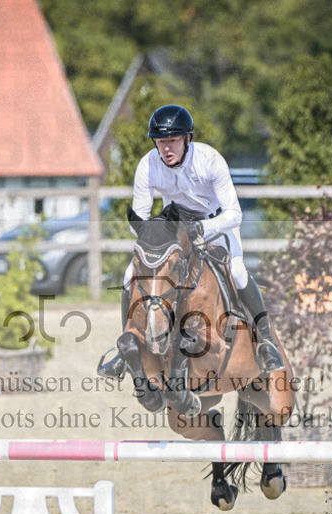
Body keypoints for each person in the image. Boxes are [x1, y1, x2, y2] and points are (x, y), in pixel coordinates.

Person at [98, 104, 285, 378]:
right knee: (129, 274)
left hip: (215, 224)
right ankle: (129, 346)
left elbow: (235, 213)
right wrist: (154, 235)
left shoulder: (210, 160)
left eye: (172, 140)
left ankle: (266, 341)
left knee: (238, 272)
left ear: (187, 138)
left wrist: (201, 228)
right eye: (161, 142)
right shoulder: (147, 164)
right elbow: (139, 219)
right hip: (173, 230)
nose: (166, 148)